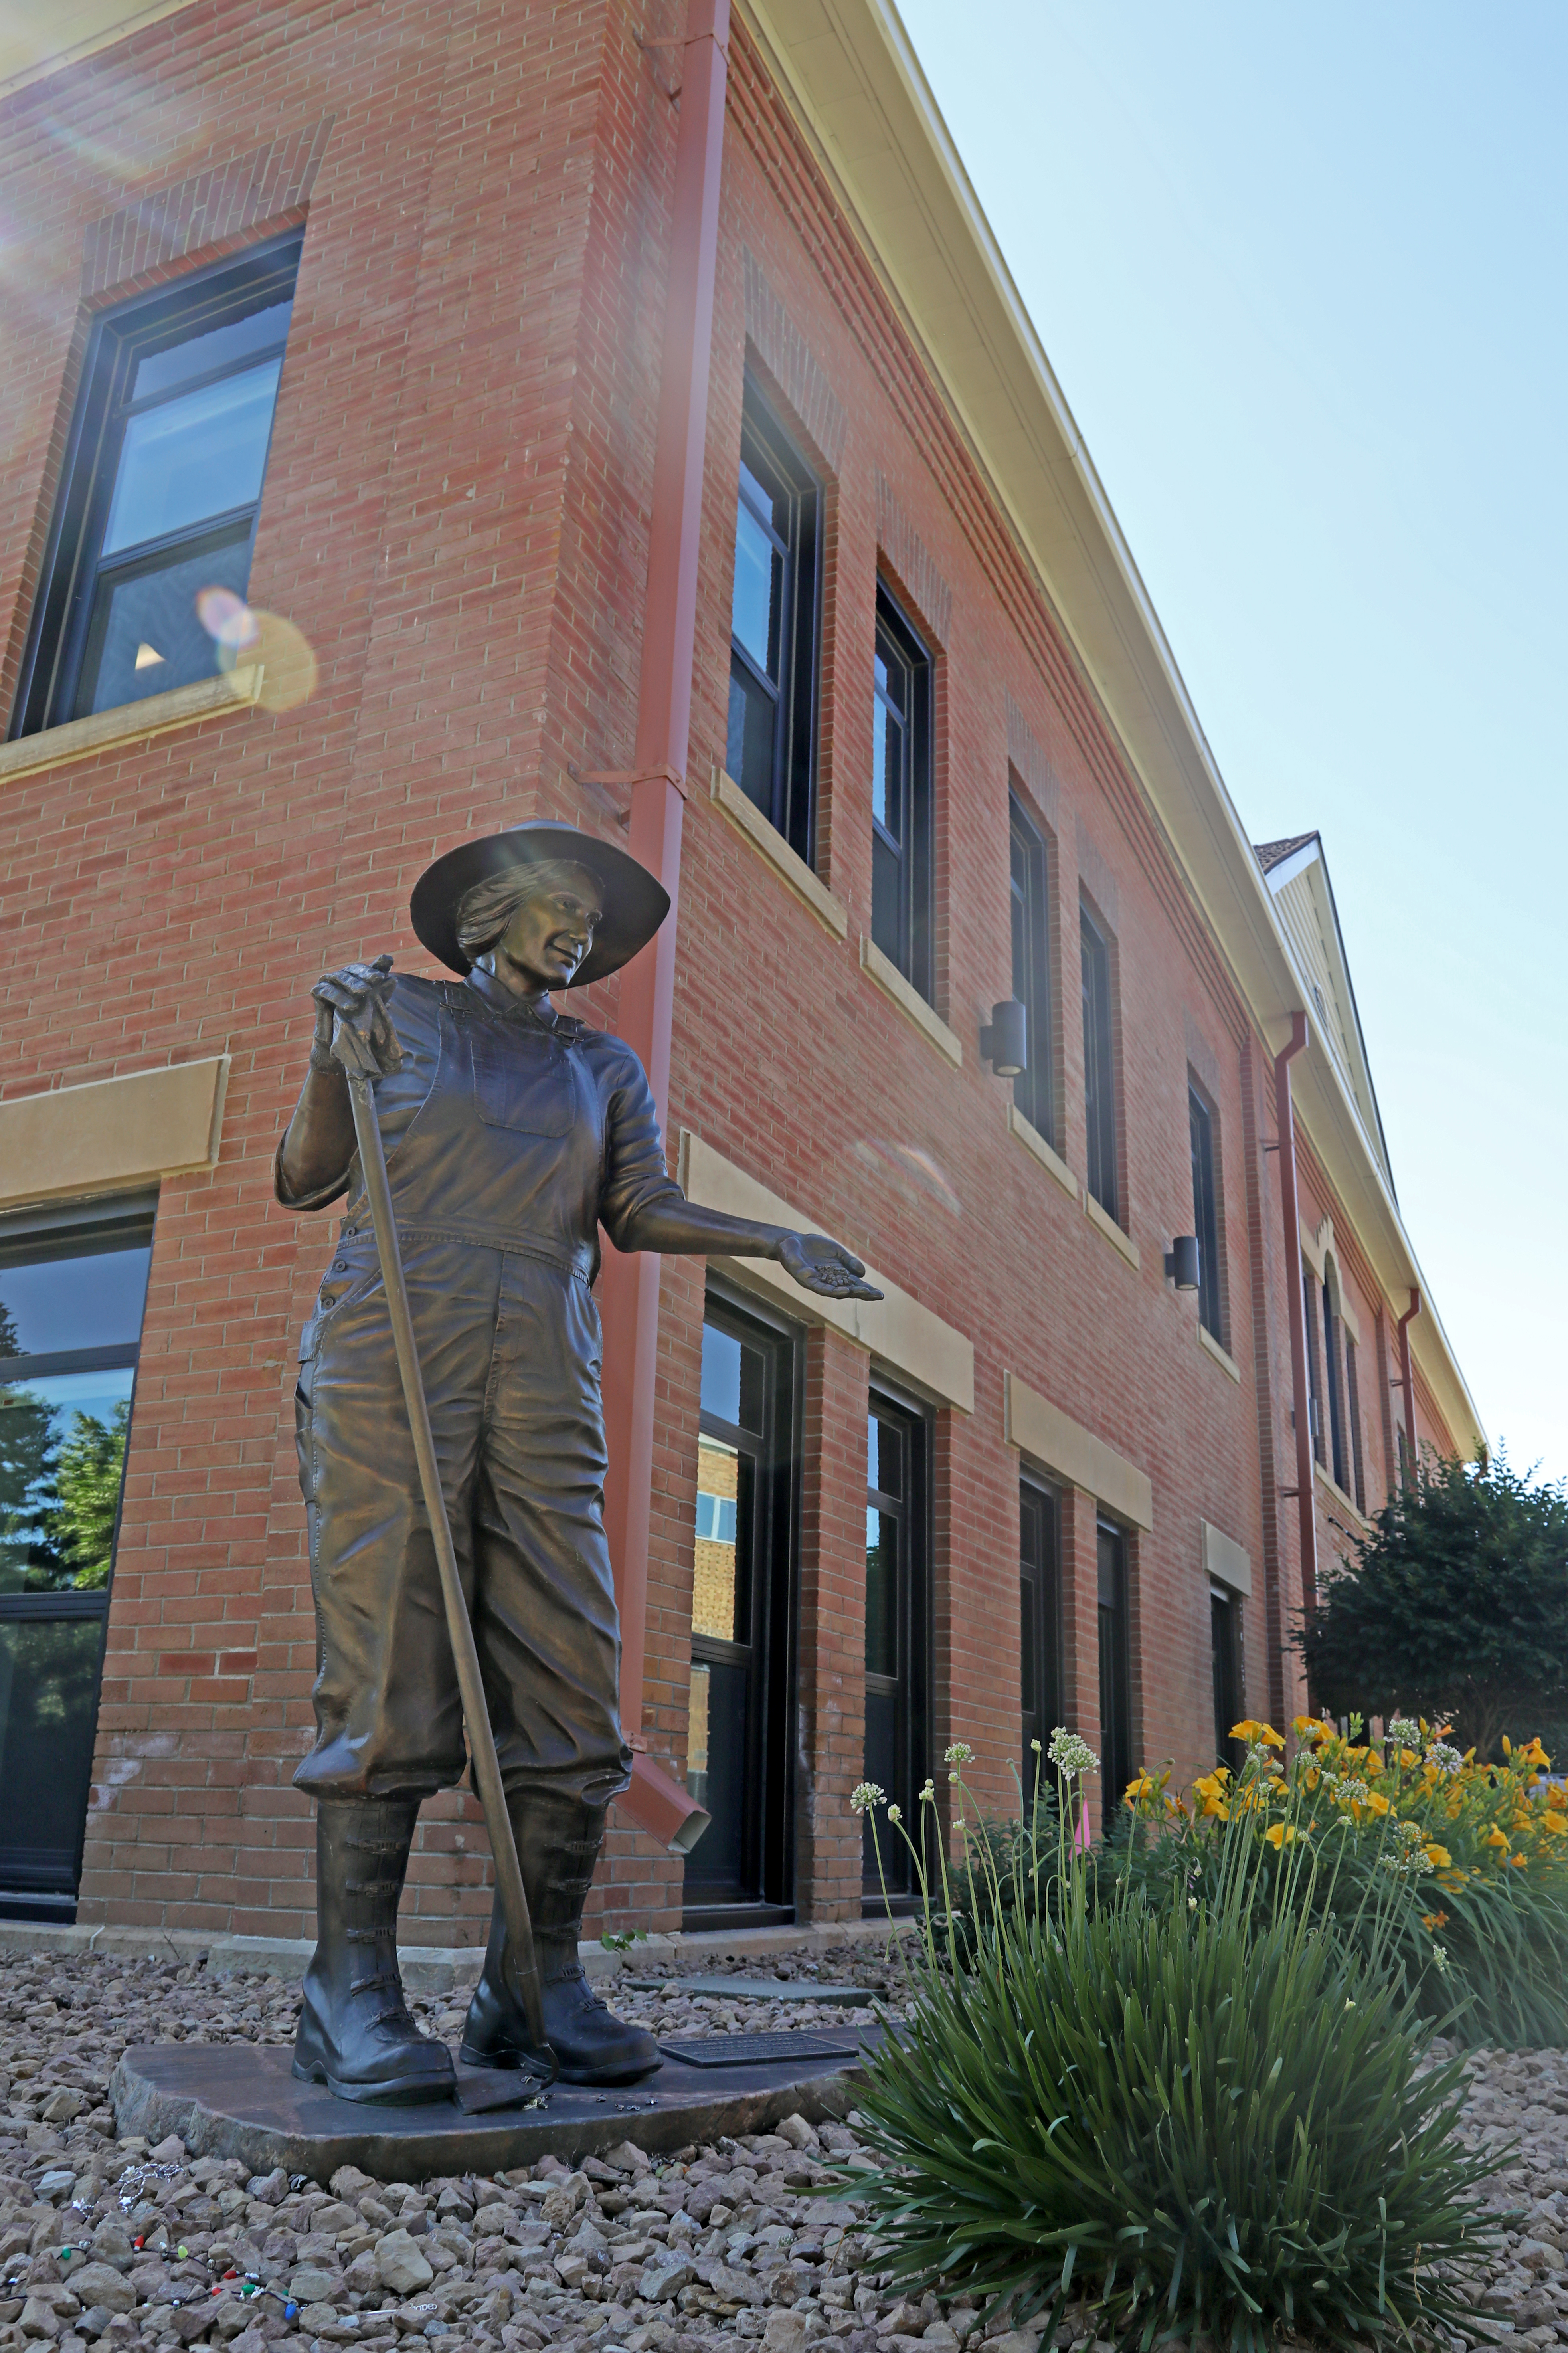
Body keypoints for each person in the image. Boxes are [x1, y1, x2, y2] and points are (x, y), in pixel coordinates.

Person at [275, 822, 879, 2103]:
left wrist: (775, 1240)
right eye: (559, 907)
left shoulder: (603, 1064)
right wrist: (335, 1060)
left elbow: (639, 1208)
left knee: (569, 1665)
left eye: (592, 922)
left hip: (545, 1360)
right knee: (386, 1660)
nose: (578, 934)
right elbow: (306, 1175)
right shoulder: (398, 1014)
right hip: (396, 1341)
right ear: (491, 911)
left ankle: (531, 1982)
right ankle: (349, 1992)